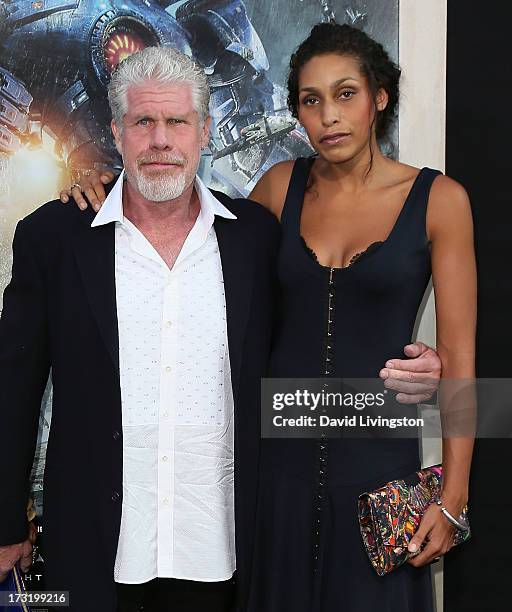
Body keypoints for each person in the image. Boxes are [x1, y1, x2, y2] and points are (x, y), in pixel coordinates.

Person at [56, 29, 452, 612]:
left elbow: (467, 366)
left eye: (345, 94)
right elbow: (186, 224)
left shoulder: (440, 199)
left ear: (380, 98)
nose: (330, 116)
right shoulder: (275, 192)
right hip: (276, 473)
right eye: (311, 100)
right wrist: (106, 185)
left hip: (378, 462)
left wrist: (451, 495)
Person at [0, 47, 282, 612]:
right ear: (116, 131)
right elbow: (13, 390)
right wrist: (6, 520)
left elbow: (310, 342)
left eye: (177, 121)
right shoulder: (54, 238)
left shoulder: (256, 238)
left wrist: (418, 375)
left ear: (203, 130)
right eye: (142, 121)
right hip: (94, 554)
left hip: (225, 556)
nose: (160, 140)